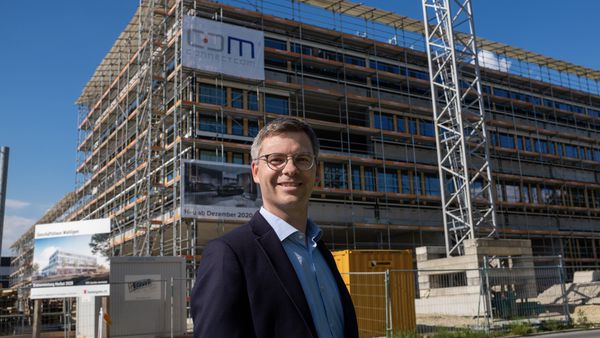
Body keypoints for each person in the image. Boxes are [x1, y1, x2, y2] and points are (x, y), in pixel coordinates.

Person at [191, 117, 358, 338]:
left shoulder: (320, 250)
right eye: (276, 159)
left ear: (316, 172)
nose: (290, 169)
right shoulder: (228, 254)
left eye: (302, 159)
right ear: (256, 172)